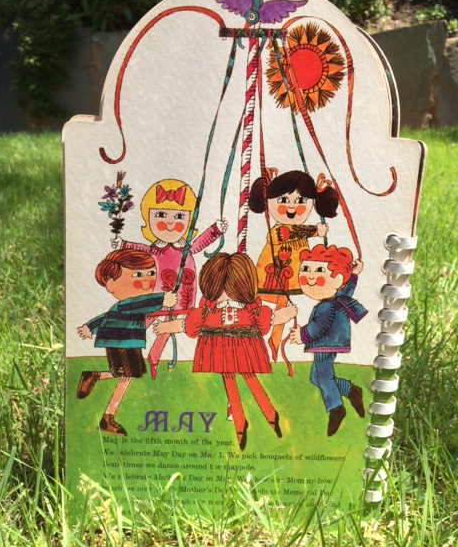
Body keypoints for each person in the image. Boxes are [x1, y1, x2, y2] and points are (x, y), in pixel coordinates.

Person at [154, 252, 297, 450]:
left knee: (250, 378)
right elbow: (188, 325)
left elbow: (268, 321)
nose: (226, 294)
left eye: (231, 288)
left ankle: (270, 415)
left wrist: (287, 313)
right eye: (221, 289)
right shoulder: (208, 311)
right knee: (229, 380)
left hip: (244, 347)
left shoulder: (250, 309)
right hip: (220, 349)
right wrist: (166, 327)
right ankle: (240, 423)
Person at [113, 178, 228, 378]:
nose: (169, 222)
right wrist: (122, 244)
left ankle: (154, 358)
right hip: (156, 296)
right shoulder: (154, 250)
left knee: (168, 327)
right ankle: (125, 350)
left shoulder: (186, 249)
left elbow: (200, 243)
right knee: (143, 321)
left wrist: (216, 230)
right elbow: (139, 248)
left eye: (179, 216)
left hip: (182, 296)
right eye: (160, 215)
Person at [76, 249, 177, 436]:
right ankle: (107, 415)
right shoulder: (128, 303)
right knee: (127, 375)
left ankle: (97, 384)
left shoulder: (125, 306)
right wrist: (162, 299)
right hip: (122, 342)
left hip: (125, 342)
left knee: (126, 374)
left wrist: (90, 327)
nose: (147, 281)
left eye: (151, 274)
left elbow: (107, 316)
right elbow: (138, 304)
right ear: (111, 284)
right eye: (138, 275)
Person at [249, 168, 339, 360]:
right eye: (283, 200)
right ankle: (267, 341)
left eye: (300, 201)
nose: (291, 207)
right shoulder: (279, 230)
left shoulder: (300, 232)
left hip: (292, 276)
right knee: (274, 304)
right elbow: (283, 235)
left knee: (284, 304)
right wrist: (314, 231)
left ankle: (274, 343)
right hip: (272, 274)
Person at [289, 244, 367, 437]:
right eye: (306, 269)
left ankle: (336, 408)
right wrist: (354, 275)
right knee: (316, 377)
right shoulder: (337, 297)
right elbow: (346, 291)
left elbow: (318, 327)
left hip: (326, 344)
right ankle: (351, 390)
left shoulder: (326, 307)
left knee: (323, 376)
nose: (310, 277)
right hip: (331, 343)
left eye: (319, 271)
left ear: (338, 279)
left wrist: (302, 335)